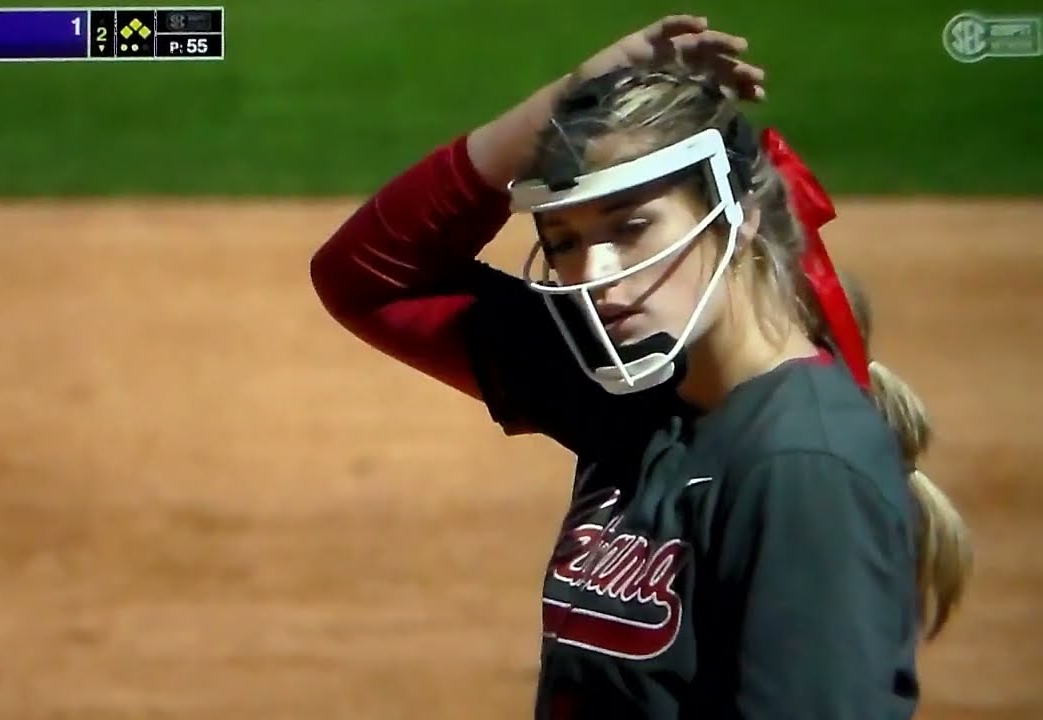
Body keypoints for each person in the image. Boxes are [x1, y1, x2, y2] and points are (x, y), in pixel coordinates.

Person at [309, 15, 972, 719]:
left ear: (738, 214)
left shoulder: (804, 468)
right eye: (563, 240)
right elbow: (366, 277)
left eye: (630, 227)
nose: (596, 275)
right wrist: (574, 94)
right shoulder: (631, 386)